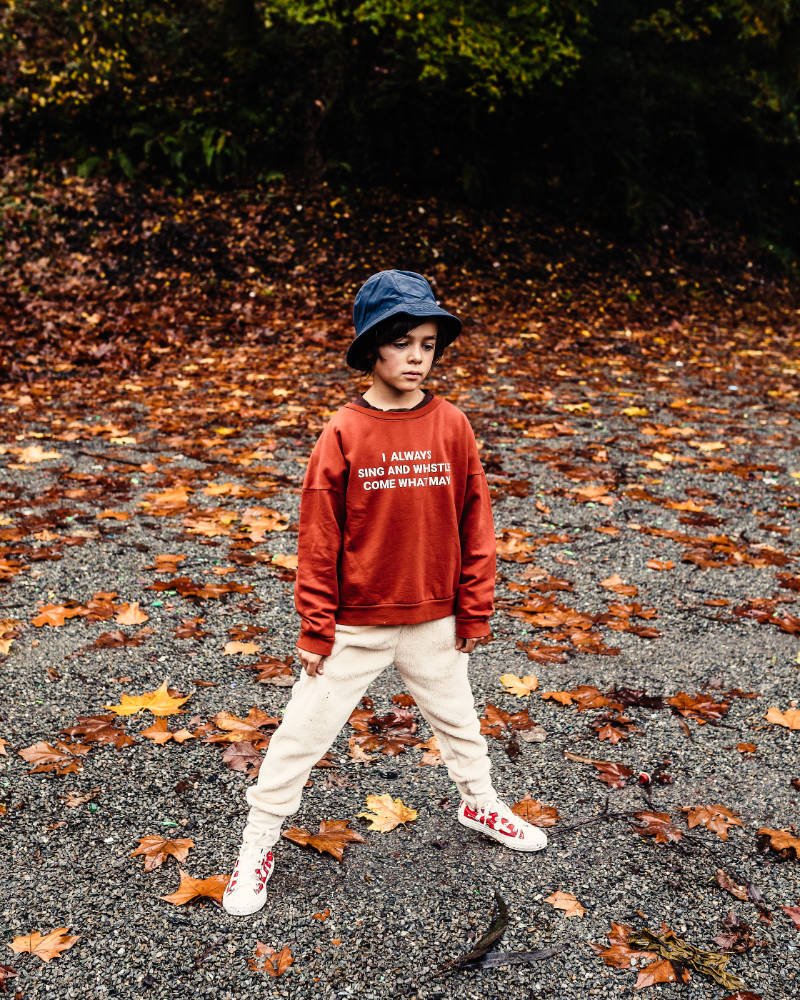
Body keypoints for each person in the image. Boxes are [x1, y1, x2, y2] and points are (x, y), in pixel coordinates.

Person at [222, 269, 547, 917]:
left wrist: (473, 607)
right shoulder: (345, 431)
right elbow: (319, 536)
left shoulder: (451, 424)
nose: (417, 357)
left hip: (434, 618)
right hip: (357, 623)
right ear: (372, 347)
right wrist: (316, 625)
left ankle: (480, 804)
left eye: (428, 344)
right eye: (402, 343)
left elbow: (475, 520)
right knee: (301, 735)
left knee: (460, 723)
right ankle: (258, 842)